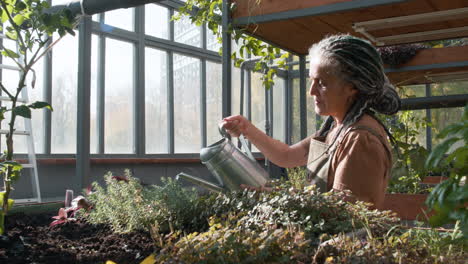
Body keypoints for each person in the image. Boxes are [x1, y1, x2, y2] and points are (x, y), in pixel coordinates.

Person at [221, 34, 400, 209]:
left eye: (321, 83)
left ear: (352, 87)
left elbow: (344, 212)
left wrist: (277, 197)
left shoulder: (360, 139)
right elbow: (287, 156)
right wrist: (247, 129)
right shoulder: (337, 127)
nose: (312, 91)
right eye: (311, 81)